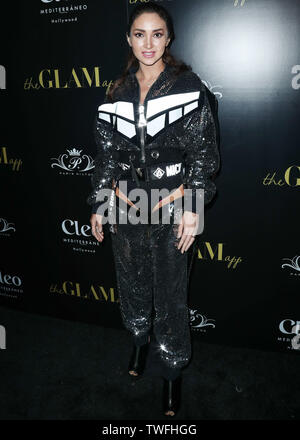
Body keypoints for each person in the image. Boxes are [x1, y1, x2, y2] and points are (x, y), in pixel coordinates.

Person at [87, 2, 220, 417]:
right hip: (128, 208)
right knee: (132, 286)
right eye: (139, 34)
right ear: (129, 39)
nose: (148, 43)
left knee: (172, 296)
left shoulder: (188, 87)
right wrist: (101, 202)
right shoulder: (115, 93)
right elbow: (106, 158)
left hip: (171, 208)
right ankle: (140, 342)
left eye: (157, 33)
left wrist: (193, 204)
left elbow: (204, 154)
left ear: (169, 37)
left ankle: (172, 373)